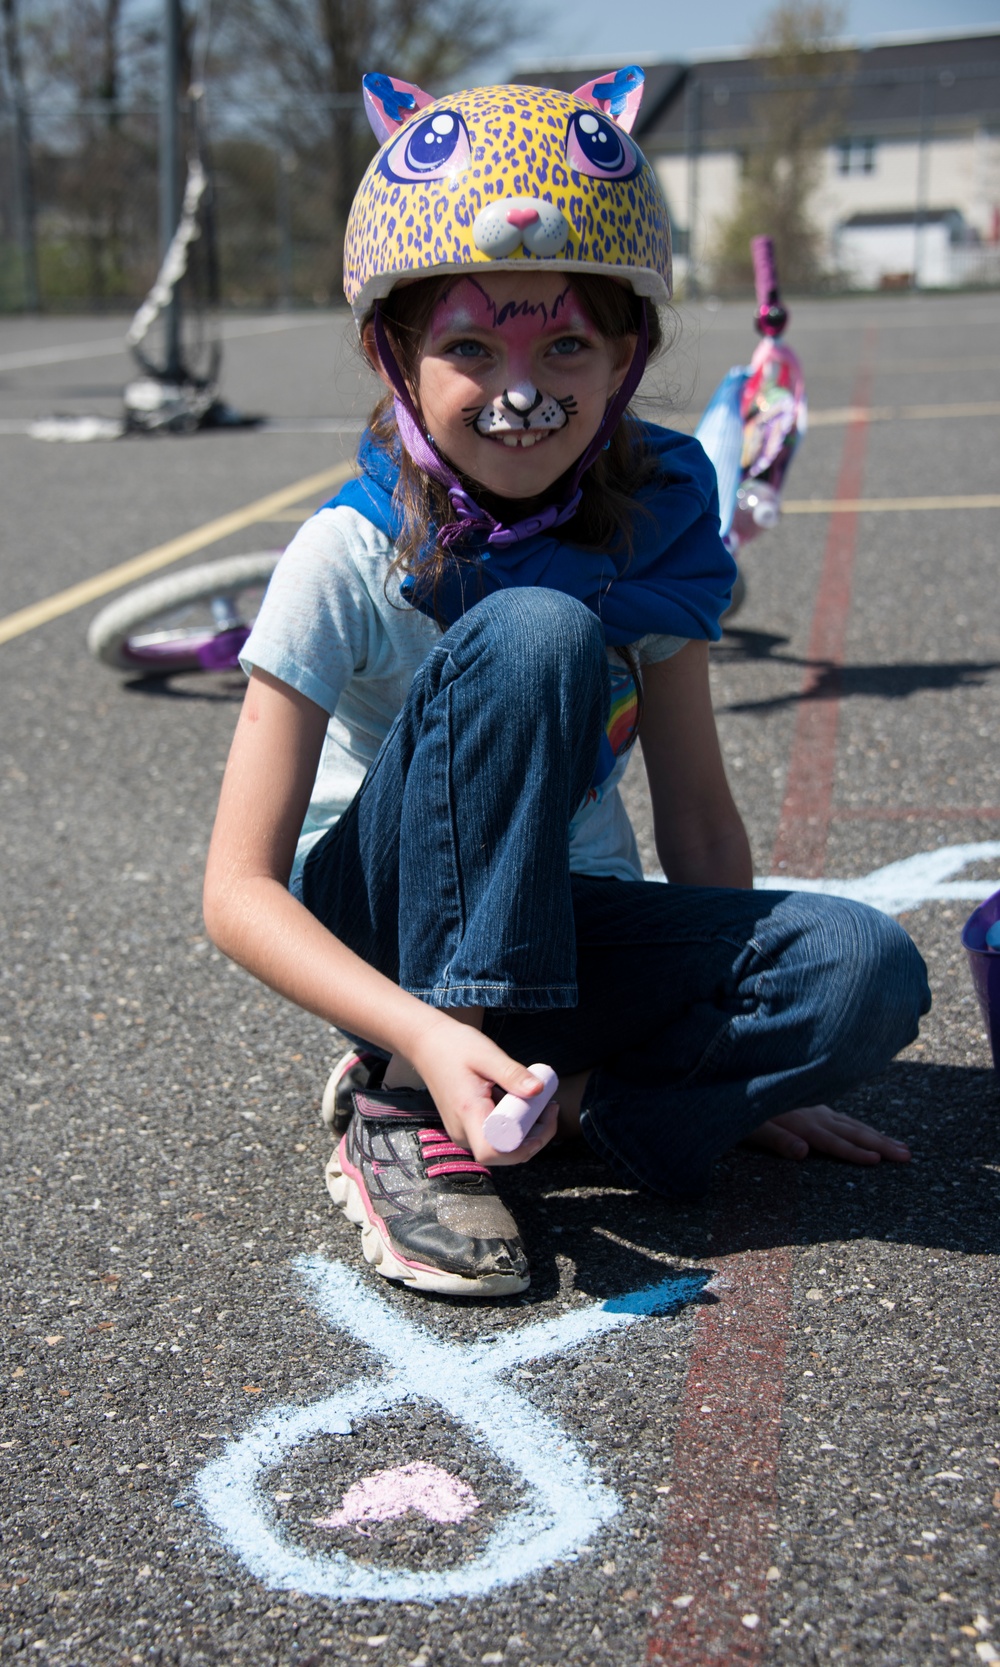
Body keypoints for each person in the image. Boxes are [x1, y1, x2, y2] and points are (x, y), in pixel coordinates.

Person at [203, 68, 931, 1299]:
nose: (519, 389)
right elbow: (237, 889)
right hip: (386, 934)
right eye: (470, 346)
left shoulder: (648, 523)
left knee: (861, 966)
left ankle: (573, 1106)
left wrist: (736, 1057)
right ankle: (403, 1098)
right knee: (536, 631)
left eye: (566, 344)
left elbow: (695, 812)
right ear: (397, 357)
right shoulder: (347, 552)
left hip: (570, 932)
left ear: (627, 355)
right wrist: (416, 1028)